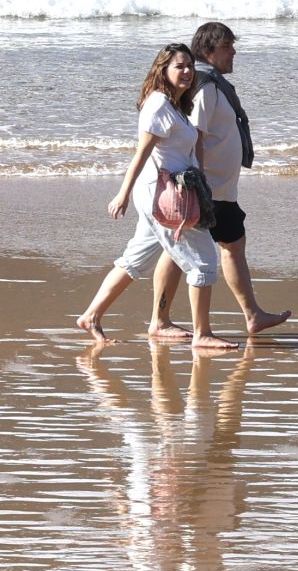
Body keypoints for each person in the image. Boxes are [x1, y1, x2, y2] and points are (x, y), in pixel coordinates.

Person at [75, 45, 237, 350]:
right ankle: (202, 334)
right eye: (179, 66)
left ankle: (91, 316)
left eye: (190, 65)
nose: (187, 72)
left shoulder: (175, 104)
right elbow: (142, 153)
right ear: (162, 69)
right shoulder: (159, 104)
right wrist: (122, 194)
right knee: (203, 263)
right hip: (167, 198)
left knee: (135, 259)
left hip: (169, 193)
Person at [148, 23, 292, 339]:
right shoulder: (205, 86)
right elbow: (192, 134)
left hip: (219, 189)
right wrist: (197, 185)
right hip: (208, 189)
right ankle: (161, 321)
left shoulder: (210, 83)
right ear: (210, 50)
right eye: (228, 46)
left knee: (227, 244)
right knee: (180, 251)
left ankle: (251, 315)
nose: (234, 52)